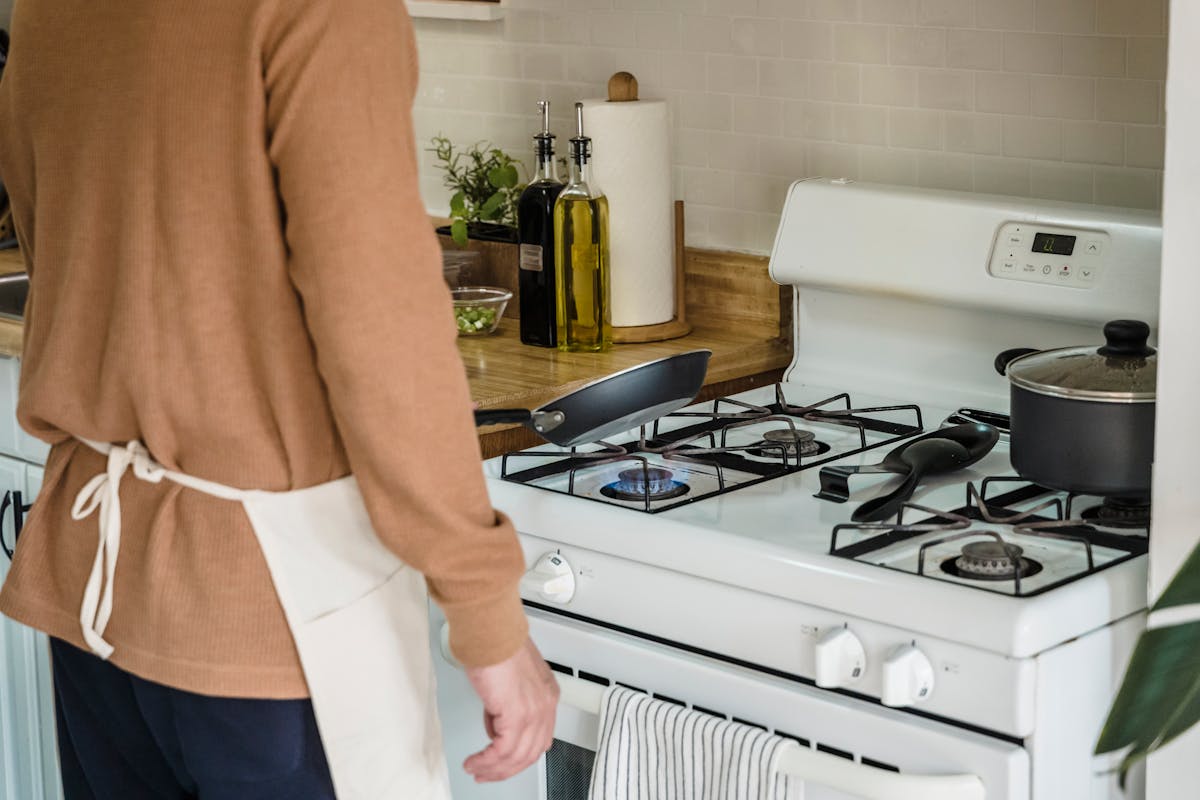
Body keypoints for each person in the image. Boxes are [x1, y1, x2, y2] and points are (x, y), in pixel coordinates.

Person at [0, 1, 558, 797]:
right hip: (275, 623)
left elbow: (45, 222)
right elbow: (379, 325)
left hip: (95, 603)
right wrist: (487, 614)